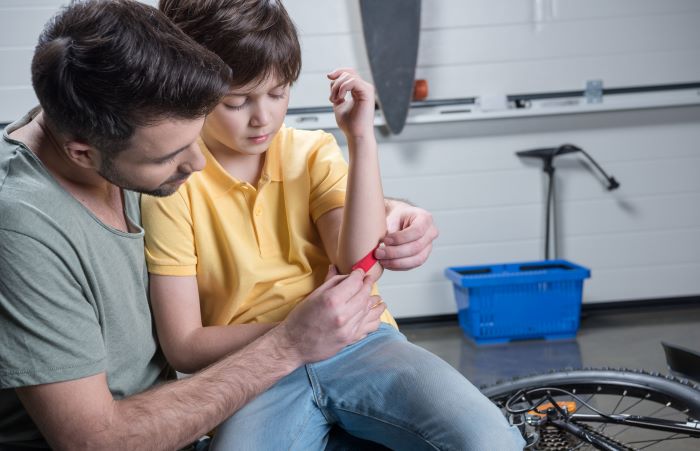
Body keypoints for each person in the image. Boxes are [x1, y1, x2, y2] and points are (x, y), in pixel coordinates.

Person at [0, 1, 438, 449]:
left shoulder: (113, 123)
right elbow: (95, 441)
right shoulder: (23, 230)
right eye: (171, 156)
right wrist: (290, 340)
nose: (197, 165)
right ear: (83, 153)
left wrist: (389, 209)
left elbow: (284, 183)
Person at [141, 1, 525, 449]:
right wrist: (297, 331)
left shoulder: (311, 152)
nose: (262, 116)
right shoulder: (172, 186)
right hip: (252, 369)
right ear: (191, 87)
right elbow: (184, 346)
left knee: (490, 442)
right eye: (237, 101)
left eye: (278, 92)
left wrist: (361, 139)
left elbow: (358, 266)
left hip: (361, 343)